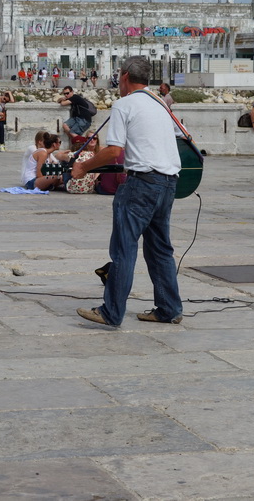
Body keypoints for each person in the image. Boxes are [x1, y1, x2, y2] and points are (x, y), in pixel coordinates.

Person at [70, 55, 183, 327]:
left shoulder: (125, 104)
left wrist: (84, 168)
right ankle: (168, 308)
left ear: (123, 77)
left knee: (124, 248)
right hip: (168, 182)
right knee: (160, 250)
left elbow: (113, 151)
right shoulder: (161, 103)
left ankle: (111, 311)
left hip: (142, 184)